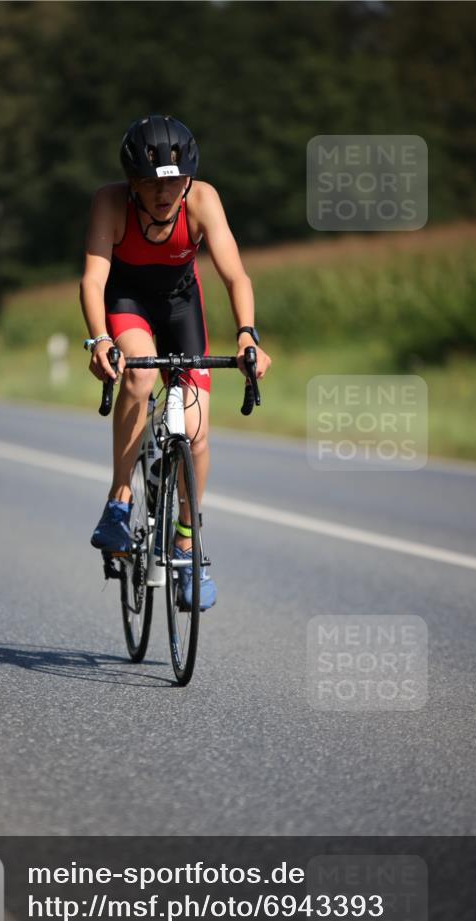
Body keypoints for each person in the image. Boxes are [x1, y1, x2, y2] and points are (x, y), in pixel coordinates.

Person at [80, 114, 271, 610]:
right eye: (150, 183)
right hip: (127, 302)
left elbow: (236, 277)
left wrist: (248, 335)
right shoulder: (110, 202)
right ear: (132, 184)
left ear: (187, 178)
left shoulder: (203, 200)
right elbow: (94, 281)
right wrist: (100, 338)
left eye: (173, 181)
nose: (163, 193)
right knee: (141, 373)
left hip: (181, 305)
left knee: (195, 429)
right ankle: (120, 500)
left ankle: (186, 544)